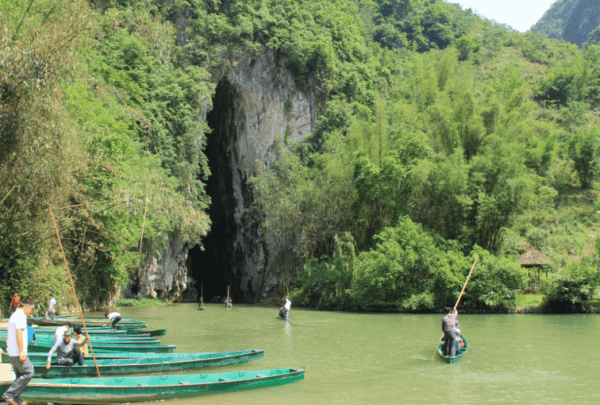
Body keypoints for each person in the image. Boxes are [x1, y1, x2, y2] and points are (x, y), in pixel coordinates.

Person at [2, 297, 35, 405]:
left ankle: (16, 399)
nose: (31, 311)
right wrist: (22, 351)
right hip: (17, 352)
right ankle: (9, 395)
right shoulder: (20, 316)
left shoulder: (15, 315)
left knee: (20, 375)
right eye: (31, 308)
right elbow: (19, 333)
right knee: (29, 372)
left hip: (12, 351)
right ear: (26, 306)